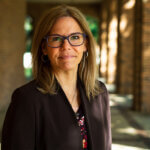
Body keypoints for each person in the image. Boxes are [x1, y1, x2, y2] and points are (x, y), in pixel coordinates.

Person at [2, 5, 111, 150]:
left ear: (85, 45)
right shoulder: (26, 99)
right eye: (56, 39)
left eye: (75, 37)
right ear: (44, 48)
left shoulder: (100, 93)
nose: (66, 46)